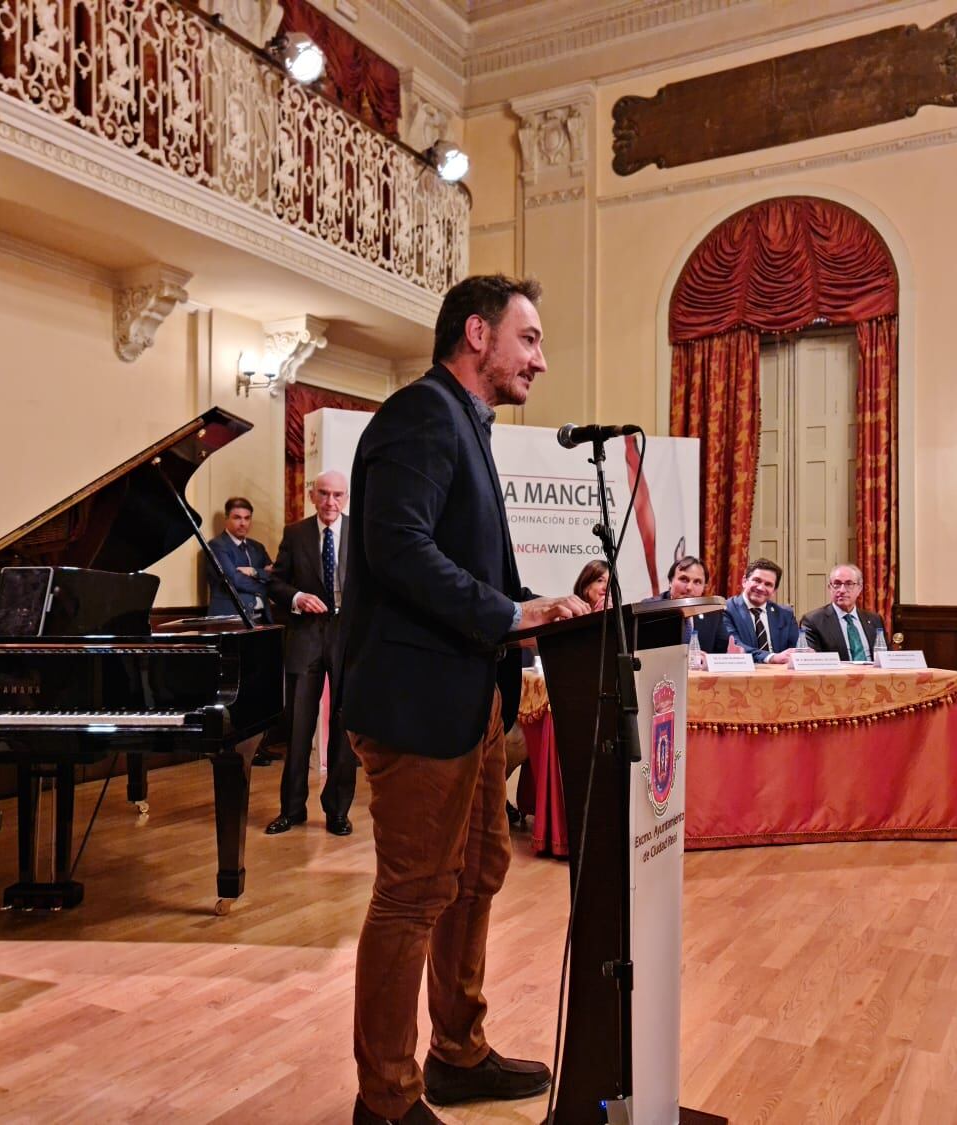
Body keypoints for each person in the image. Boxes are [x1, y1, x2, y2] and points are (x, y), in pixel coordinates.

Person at [339, 274, 590, 1125]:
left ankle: (456, 1051)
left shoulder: (465, 424)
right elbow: (397, 547)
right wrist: (506, 611)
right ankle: (385, 1098)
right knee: (412, 893)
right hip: (416, 703)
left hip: (471, 695)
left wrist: (541, 607)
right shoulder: (420, 413)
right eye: (529, 340)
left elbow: (478, 568)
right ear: (477, 335)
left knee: (477, 872)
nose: (541, 360)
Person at [266, 470, 355, 835]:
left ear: (346, 498)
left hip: (347, 639)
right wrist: (298, 598)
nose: (330, 502)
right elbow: (274, 582)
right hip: (305, 637)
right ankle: (291, 809)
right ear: (312, 494)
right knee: (299, 727)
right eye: (323, 494)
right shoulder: (296, 533)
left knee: (344, 729)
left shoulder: (359, 531)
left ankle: (337, 811)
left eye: (337, 495)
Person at [205, 496, 273, 624]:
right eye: (237, 518)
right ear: (226, 519)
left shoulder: (258, 547)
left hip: (263, 619)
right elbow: (234, 579)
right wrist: (265, 585)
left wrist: (254, 572)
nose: (243, 523)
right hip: (231, 620)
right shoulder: (216, 546)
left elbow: (274, 575)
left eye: (247, 518)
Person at [800, 563, 885, 662]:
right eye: (837, 584)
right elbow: (813, 661)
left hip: (875, 675)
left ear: (859, 588)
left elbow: (886, 656)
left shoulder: (874, 619)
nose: (842, 590)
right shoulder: (813, 621)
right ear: (829, 588)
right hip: (838, 676)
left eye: (849, 584)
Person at [721, 557, 800, 663]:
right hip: (743, 673)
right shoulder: (726, 609)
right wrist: (771, 657)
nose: (761, 588)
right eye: (757, 580)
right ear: (744, 581)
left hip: (781, 675)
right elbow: (735, 646)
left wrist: (803, 653)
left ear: (774, 591)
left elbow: (796, 648)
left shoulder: (785, 614)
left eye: (768, 584)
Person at [643, 554, 726, 653]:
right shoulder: (649, 609)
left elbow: (723, 652)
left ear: (704, 587)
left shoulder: (713, 614)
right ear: (670, 581)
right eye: (684, 579)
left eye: (697, 582)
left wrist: (708, 661)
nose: (689, 587)